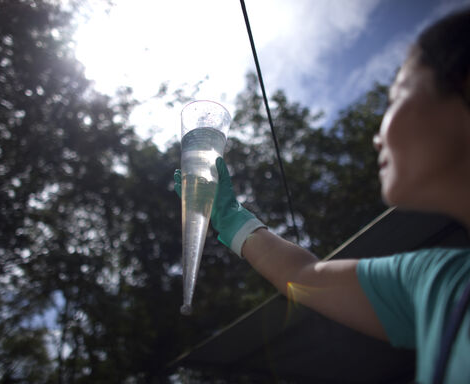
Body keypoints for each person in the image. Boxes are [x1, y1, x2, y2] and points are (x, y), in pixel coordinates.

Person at [174, 7, 470, 384]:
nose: (377, 136)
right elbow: (303, 276)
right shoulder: (438, 282)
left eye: (395, 97)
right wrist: (232, 218)